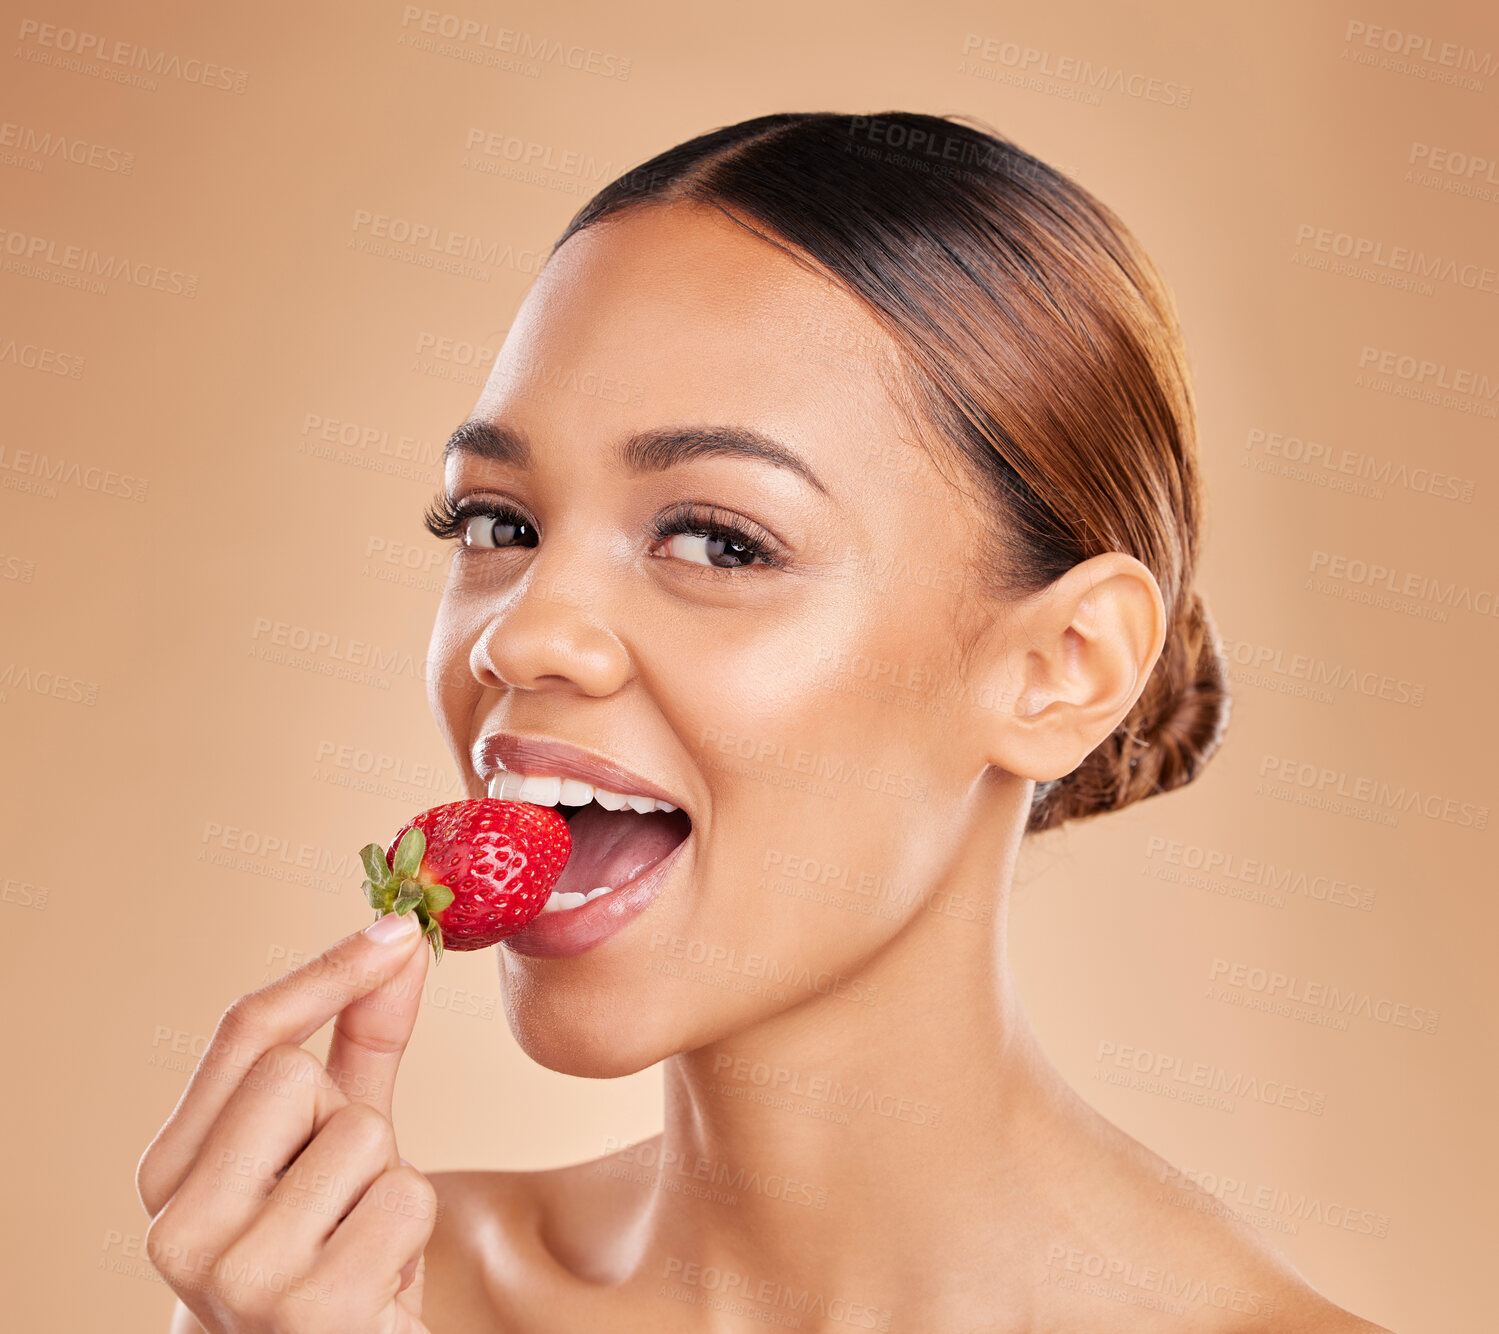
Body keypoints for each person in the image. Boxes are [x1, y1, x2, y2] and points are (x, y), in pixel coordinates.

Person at [137, 111, 1390, 1332]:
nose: (515, 633)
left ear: (1058, 667)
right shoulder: (375, 1299)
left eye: (716, 539)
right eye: (497, 523)